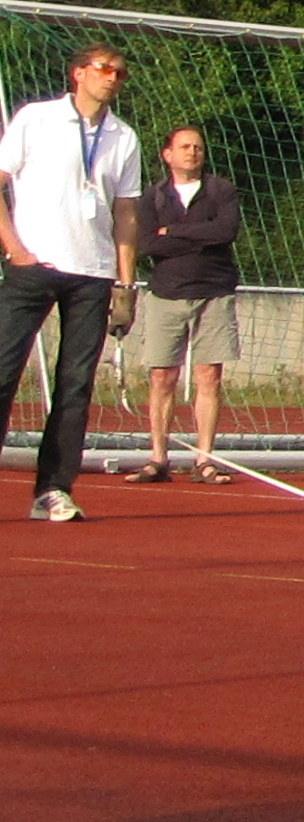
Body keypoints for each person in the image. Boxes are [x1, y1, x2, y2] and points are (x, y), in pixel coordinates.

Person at [0, 43, 139, 522]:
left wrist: (125, 283)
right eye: (105, 69)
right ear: (79, 73)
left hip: (93, 275)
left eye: (120, 73)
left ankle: (54, 489)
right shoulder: (37, 118)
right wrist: (15, 249)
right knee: (2, 372)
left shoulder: (124, 136)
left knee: (75, 386)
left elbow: (126, 213)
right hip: (34, 268)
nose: (113, 78)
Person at [126, 124, 239, 486]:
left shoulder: (221, 190)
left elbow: (225, 232)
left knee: (209, 376)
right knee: (162, 376)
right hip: (166, 293)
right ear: (168, 154)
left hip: (214, 292)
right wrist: (200, 236)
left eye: (198, 147)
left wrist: (174, 232)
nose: (192, 152)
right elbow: (148, 244)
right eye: (185, 147)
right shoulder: (153, 197)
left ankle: (204, 459)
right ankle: (158, 457)